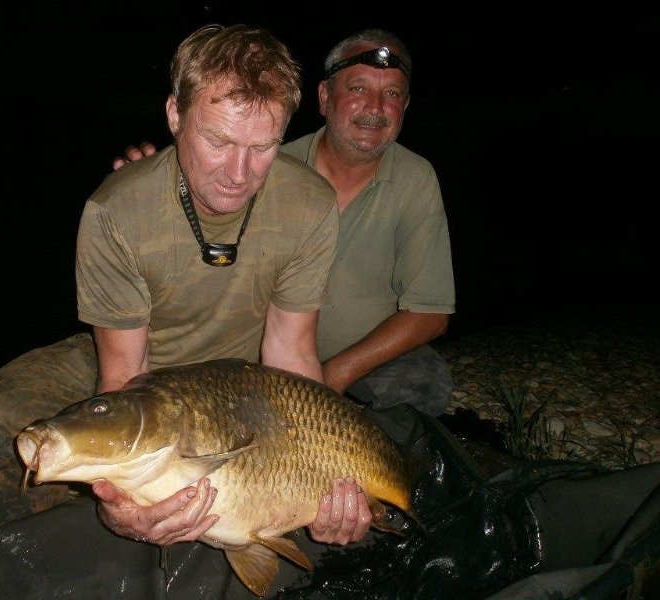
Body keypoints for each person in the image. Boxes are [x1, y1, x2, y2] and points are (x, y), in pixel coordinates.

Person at [0, 23, 373, 550]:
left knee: (301, 487)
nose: (238, 172)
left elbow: (290, 352)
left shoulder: (310, 203)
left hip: (243, 375)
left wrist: (325, 479)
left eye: (263, 147)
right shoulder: (117, 209)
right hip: (139, 357)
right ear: (175, 115)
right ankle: (69, 553)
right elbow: (124, 370)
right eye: (217, 140)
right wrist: (122, 507)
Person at [117, 29, 456, 431]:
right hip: (260, 352)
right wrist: (163, 181)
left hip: (358, 357)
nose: (375, 107)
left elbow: (431, 313)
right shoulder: (264, 166)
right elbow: (201, 228)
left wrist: (332, 378)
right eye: (358, 88)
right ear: (324, 98)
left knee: (426, 383)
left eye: (393, 94)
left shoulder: (416, 178)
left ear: (406, 106)